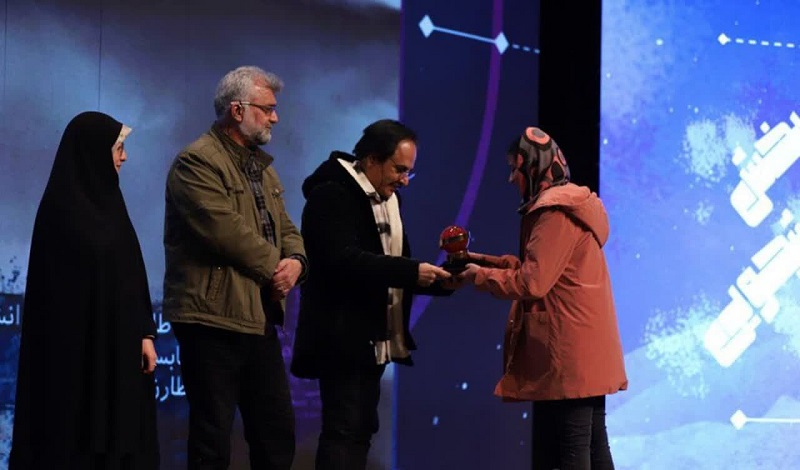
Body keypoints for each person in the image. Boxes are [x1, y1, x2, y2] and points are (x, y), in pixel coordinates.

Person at [162, 65, 307, 470]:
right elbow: (226, 232)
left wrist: (297, 262)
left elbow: (287, 227)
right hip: (212, 320)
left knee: (276, 435)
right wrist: (277, 266)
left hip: (258, 318)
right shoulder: (196, 162)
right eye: (268, 109)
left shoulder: (263, 167)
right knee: (212, 440)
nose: (275, 117)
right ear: (237, 109)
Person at [458, 127, 628, 470]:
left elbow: (532, 282)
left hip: (571, 346)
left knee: (576, 445)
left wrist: (477, 276)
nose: (511, 179)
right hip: (587, 342)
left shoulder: (552, 211)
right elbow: (541, 270)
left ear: (533, 166)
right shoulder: (573, 205)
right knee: (593, 441)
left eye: (515, 169)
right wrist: (480, 262)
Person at [291, 119, 454, 470]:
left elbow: (393, 266)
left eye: (409, 172)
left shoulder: (389, 201)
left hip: (373, 342)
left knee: (361, 430)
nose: (405, 180)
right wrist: (412, 271)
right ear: (371, 160)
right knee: (344, 431)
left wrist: (442, 282)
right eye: (399, 169)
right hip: (341, 337)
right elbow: (343, 261)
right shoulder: (331, 194)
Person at [10, 111, 159, 469]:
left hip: (120, 353)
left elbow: (131, 275)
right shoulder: (59, 212)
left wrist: (145, 333)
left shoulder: (114, 208)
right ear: (94, 152)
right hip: (75, 363)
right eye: (118, 148)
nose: (124, 157)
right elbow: (55, 300)